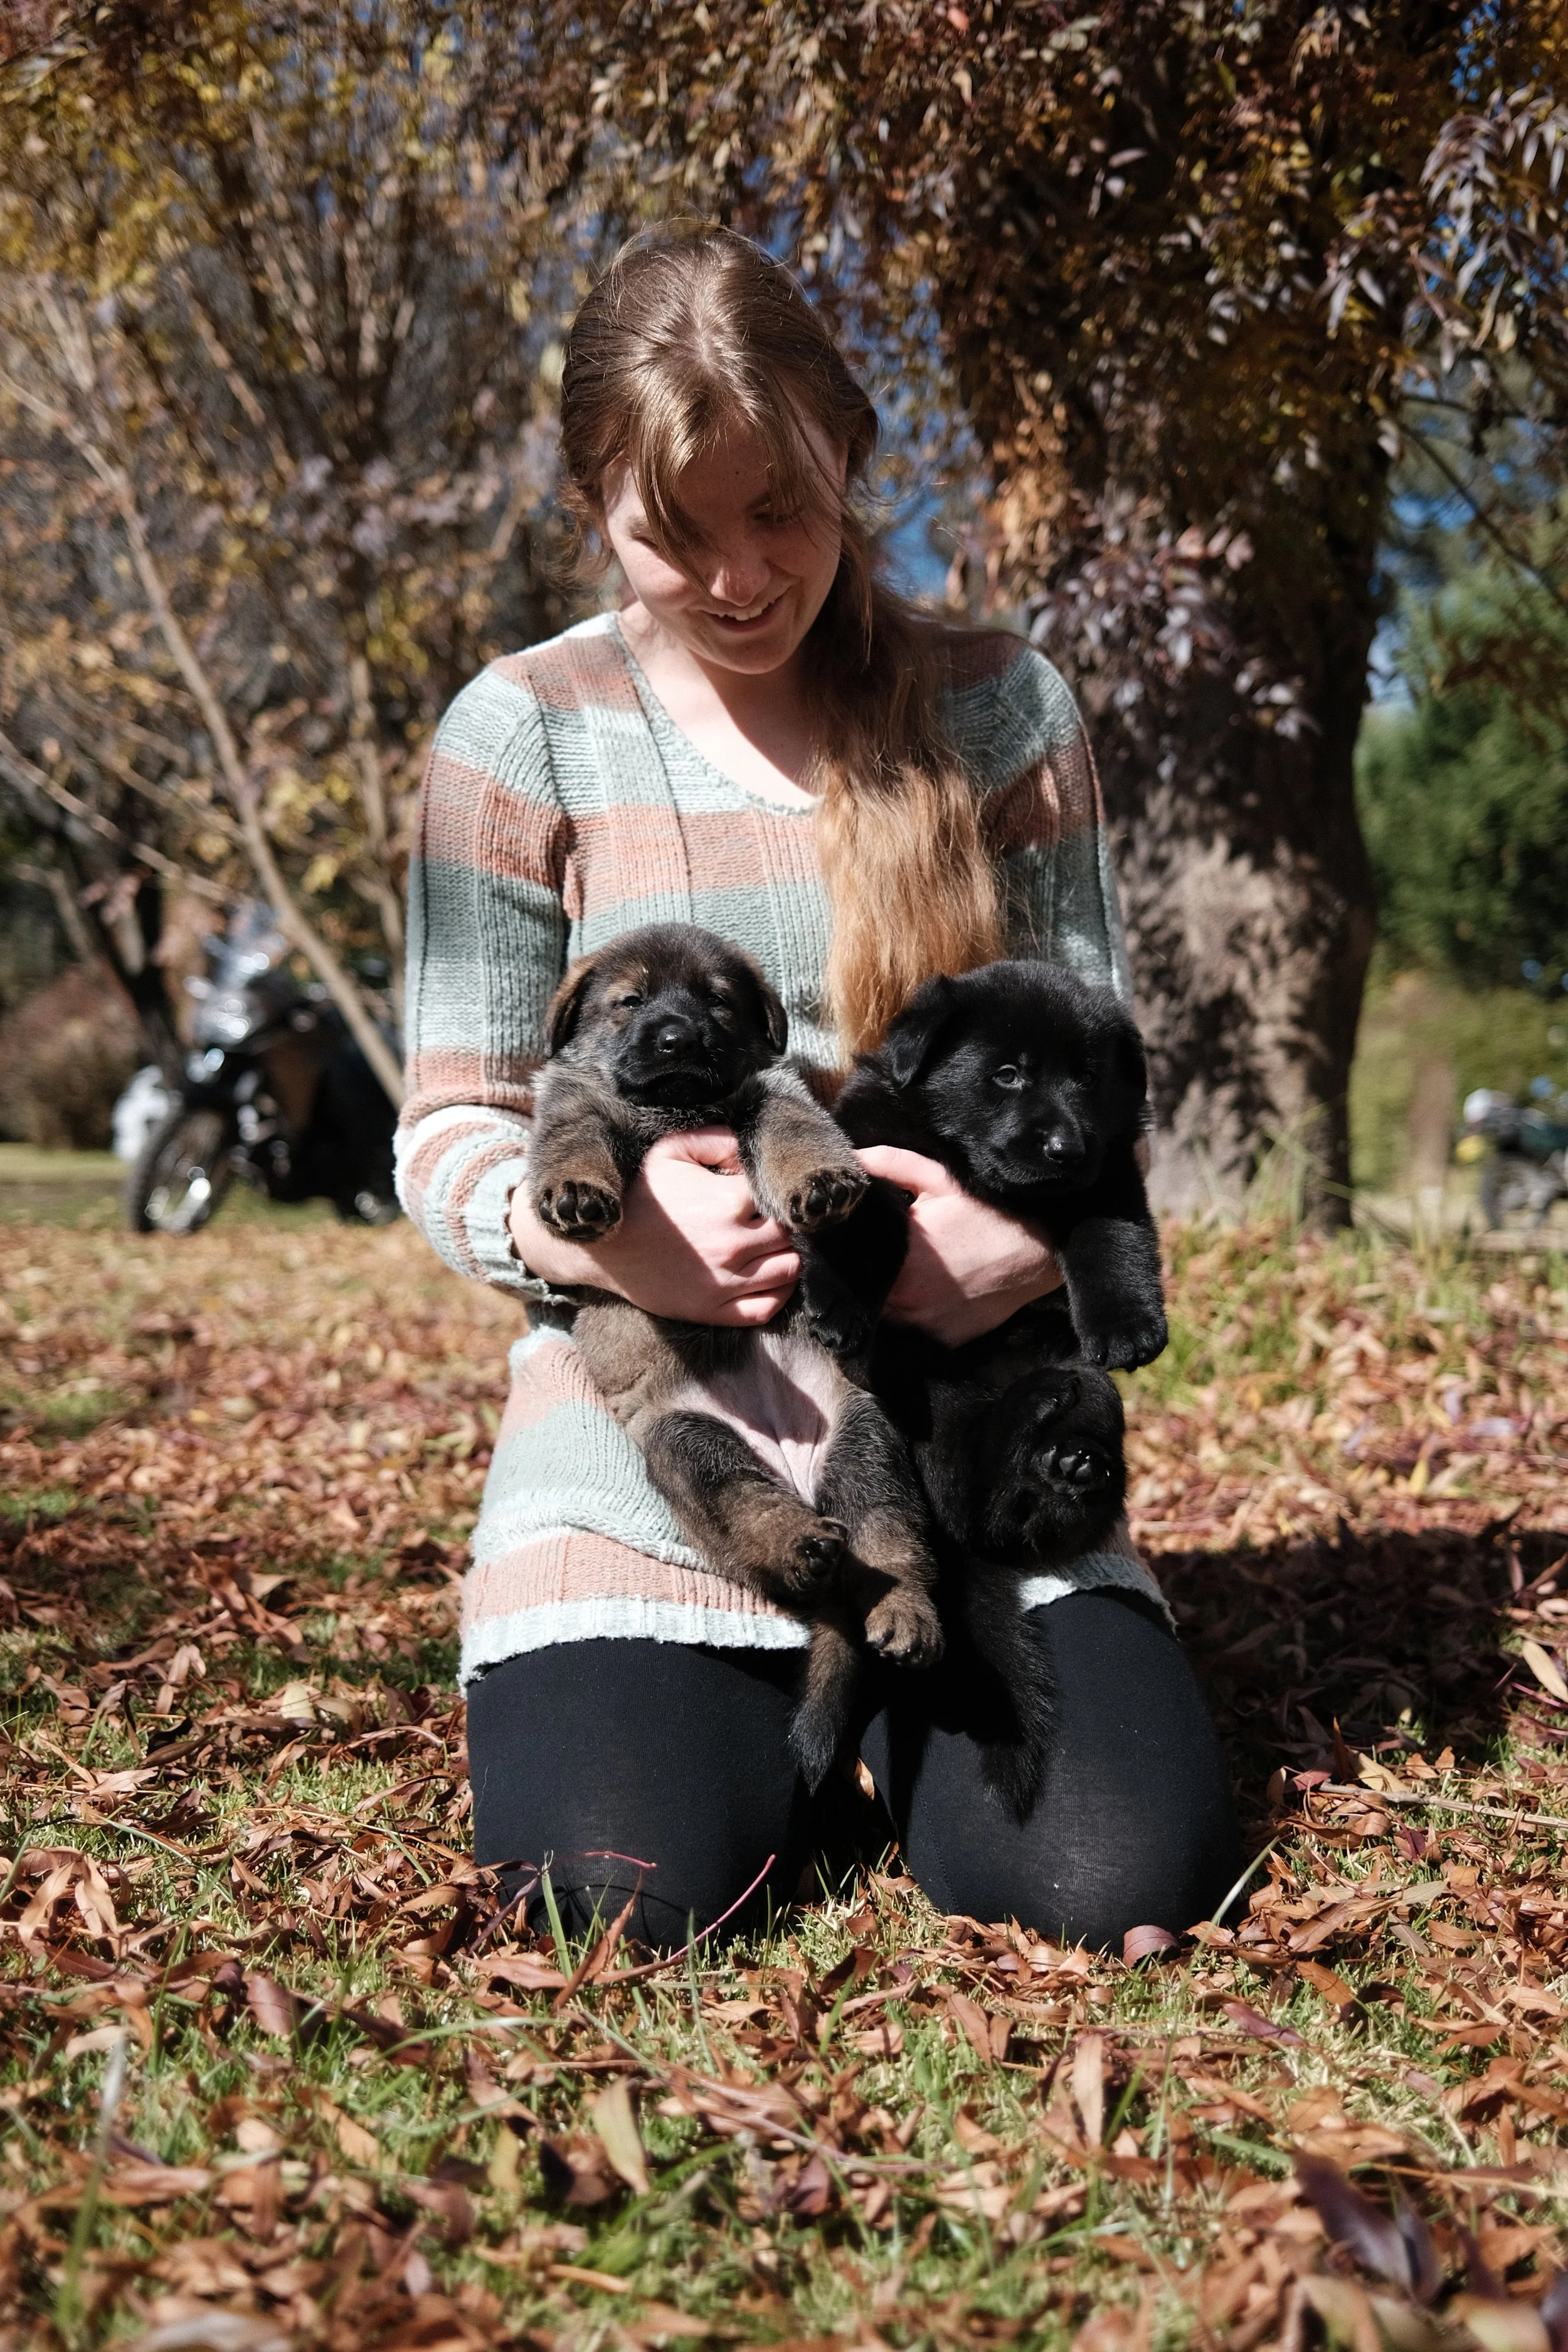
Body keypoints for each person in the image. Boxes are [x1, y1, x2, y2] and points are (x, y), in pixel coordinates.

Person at [396, 228, 1239, 1951]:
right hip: (664, 1436)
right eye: (672, 531)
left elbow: (1102, 1067)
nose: (738, 573)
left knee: (1110, 1881)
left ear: (845, 454)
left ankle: (902, 1702)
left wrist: (1016, 1242)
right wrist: (610, 1241)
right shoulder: (522, 732)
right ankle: (765, 1715)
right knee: (615, 1893)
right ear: (588, 503)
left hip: (976, 1423)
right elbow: (449, 1122)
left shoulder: (1001, 710)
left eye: (777, 506)